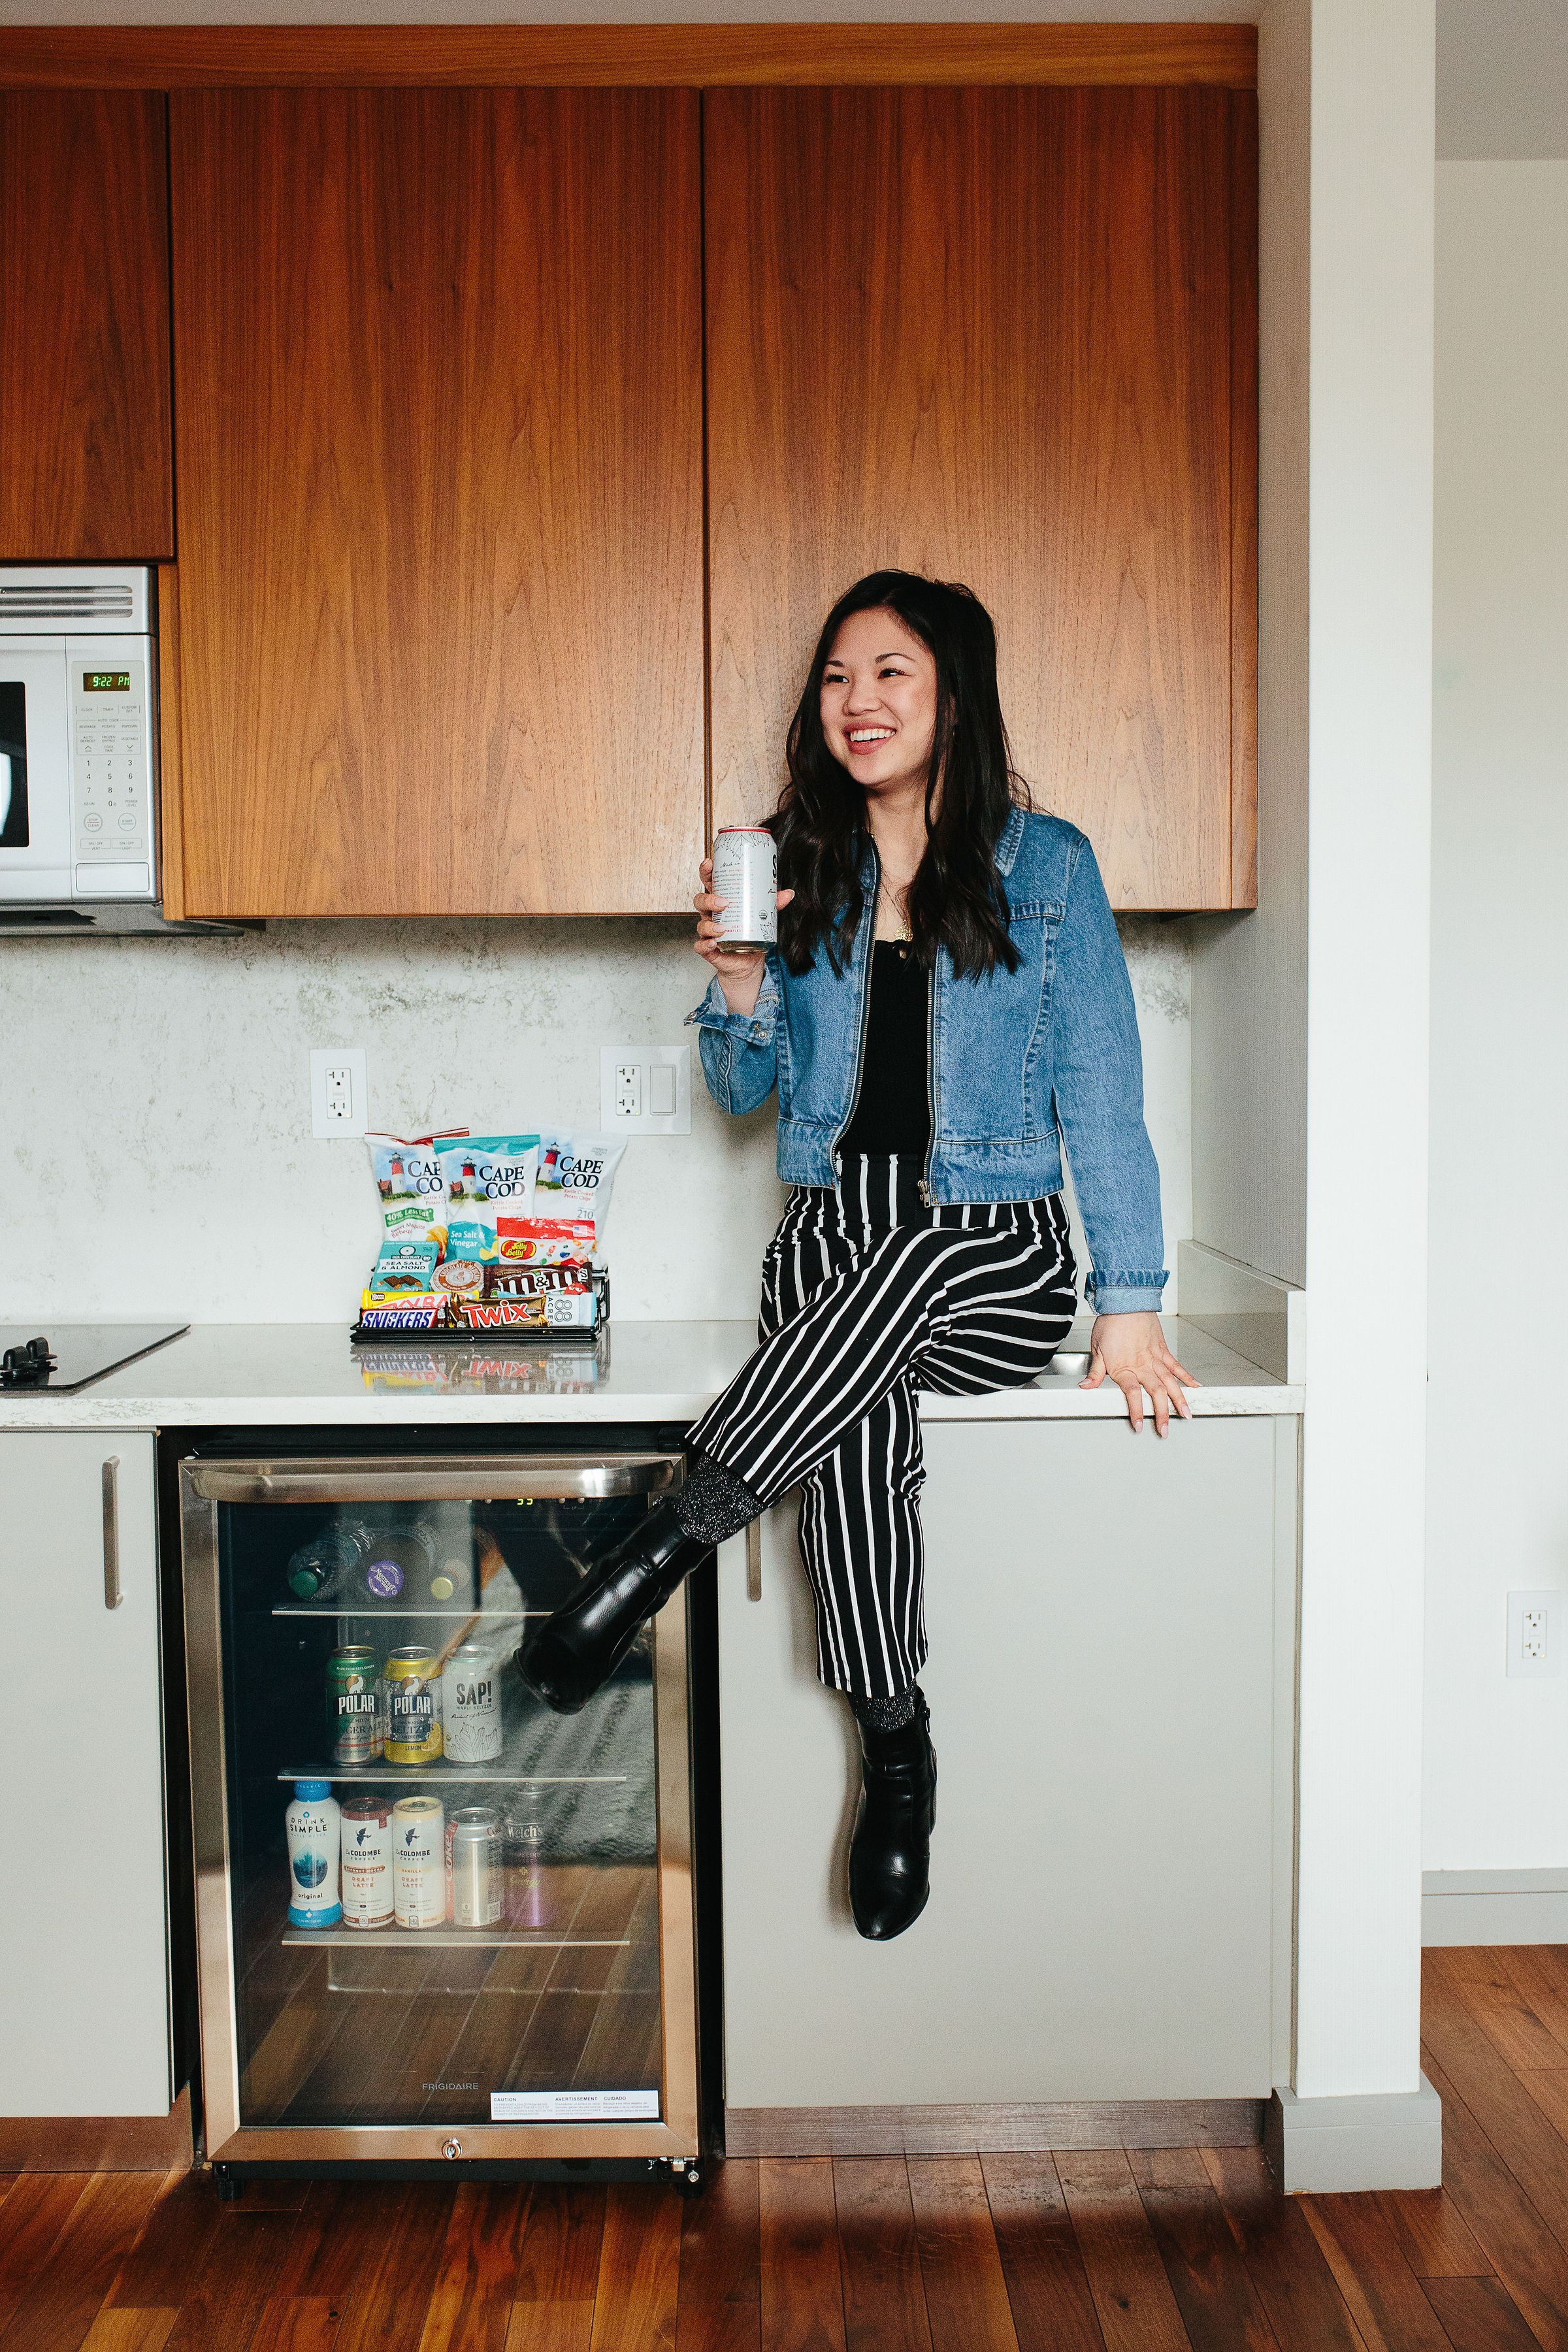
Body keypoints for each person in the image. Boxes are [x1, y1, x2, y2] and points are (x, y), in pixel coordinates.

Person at [518, 570, 1196, 1940]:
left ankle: (642, 1549)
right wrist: (737, 989)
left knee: (895, 1285)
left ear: (954, 691)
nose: (858, 701)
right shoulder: (794, 861)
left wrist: (1131, 1299)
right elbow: (739, 1093)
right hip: (834, 1230)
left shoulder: (1046, 865)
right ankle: (901, 1747)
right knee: (860, 1394)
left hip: (993, 1245)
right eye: (837, 677)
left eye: (890, 673)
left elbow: (1103, 1087)